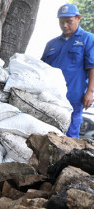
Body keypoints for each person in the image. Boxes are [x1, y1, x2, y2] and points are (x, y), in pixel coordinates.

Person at [41, 3, 94, 138]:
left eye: (69, 21)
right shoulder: (52, 44)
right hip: (50, 98)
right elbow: (40, 69)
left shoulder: (88, 39)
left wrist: (90, 92)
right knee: (47, 134)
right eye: (61, 22)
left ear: (78, 18)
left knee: (70, 137)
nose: (65, 25)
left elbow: (92, 66)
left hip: (73, 98)